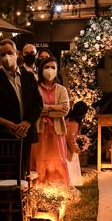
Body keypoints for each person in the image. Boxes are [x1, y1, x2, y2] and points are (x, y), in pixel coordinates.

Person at [0, 39, 43, 178]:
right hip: (4, 135)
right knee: (3, 175)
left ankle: (21, 200)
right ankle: (3, 200)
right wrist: (8, 126)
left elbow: (38, 103)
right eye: (3, 54)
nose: (7, 57)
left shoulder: (29, 77)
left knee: (21, 174)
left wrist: (28, 122)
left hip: (26, 132)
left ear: (17, 53)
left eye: (10, 53)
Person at [30, 57, 70, 185]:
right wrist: (55, 108)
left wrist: (45, 109)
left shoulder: (61, 89)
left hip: (56, 131)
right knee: (39, 158)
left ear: (57, 71)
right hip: (40, 131)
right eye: (47, 67)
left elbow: (65, 110)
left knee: (57, 160)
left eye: (53, 67)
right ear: (41, 70)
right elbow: (33, 108)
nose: (50, 70)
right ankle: (39, 189)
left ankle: (58, 189)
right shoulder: (35, 88)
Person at [65, 101, 89, 187]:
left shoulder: (68, 118)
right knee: (70, 166)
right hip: (67, 148)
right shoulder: (74, 122)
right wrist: (76, 149)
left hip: (66, 146)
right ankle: (70, 183)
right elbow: (70, 138)